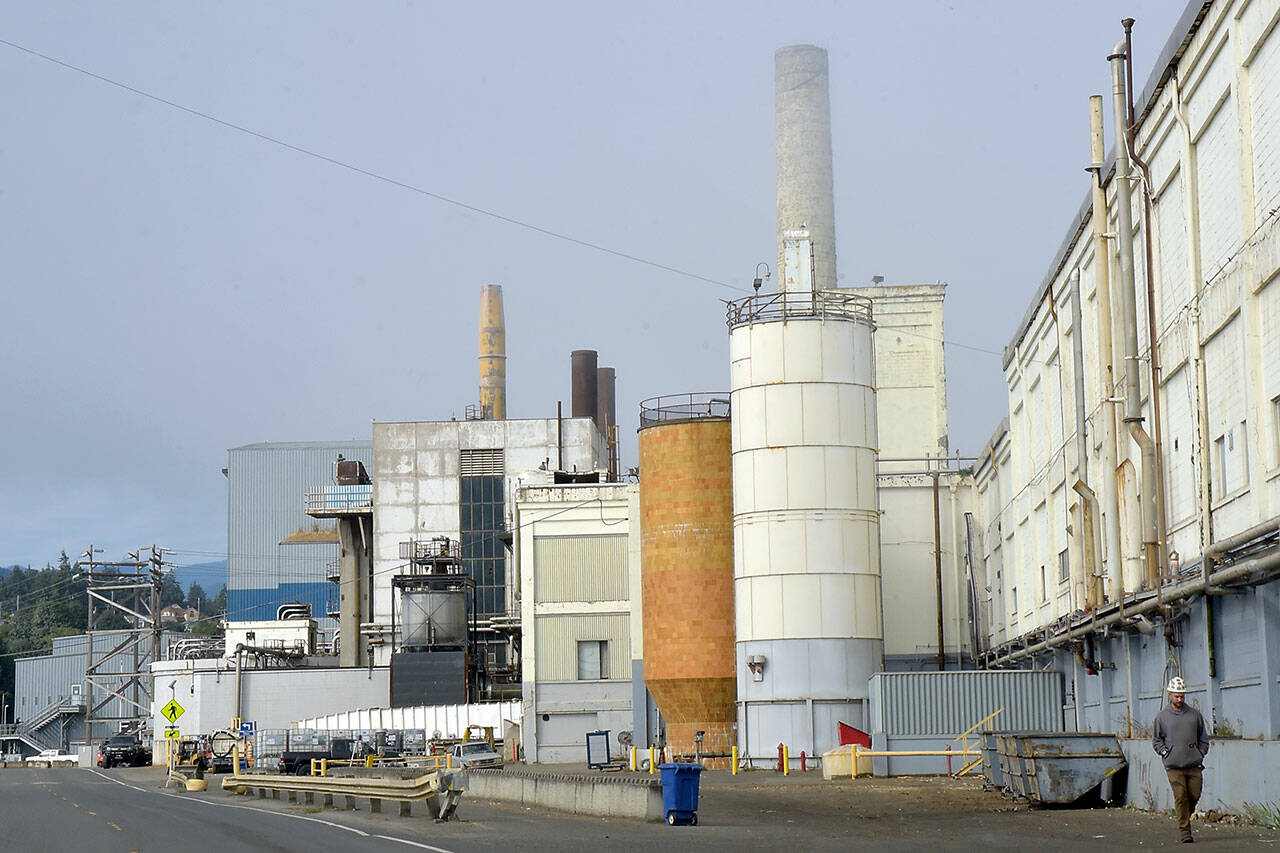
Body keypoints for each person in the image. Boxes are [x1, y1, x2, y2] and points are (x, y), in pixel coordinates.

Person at [1152, 676, 1210, 843]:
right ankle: (1185, 832)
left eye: (1182, 696)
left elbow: (1203, 737)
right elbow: (1156, 740)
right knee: (1180, 795)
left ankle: (1184, 814)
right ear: (1170, 694)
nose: (1179, 698)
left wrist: (1201, 753)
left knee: (1194, 795)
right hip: (1173, 765)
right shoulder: (1162, 717)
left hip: (1194, 764)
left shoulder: (1194, 715)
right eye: (1176, 695)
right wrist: (1165, 753)